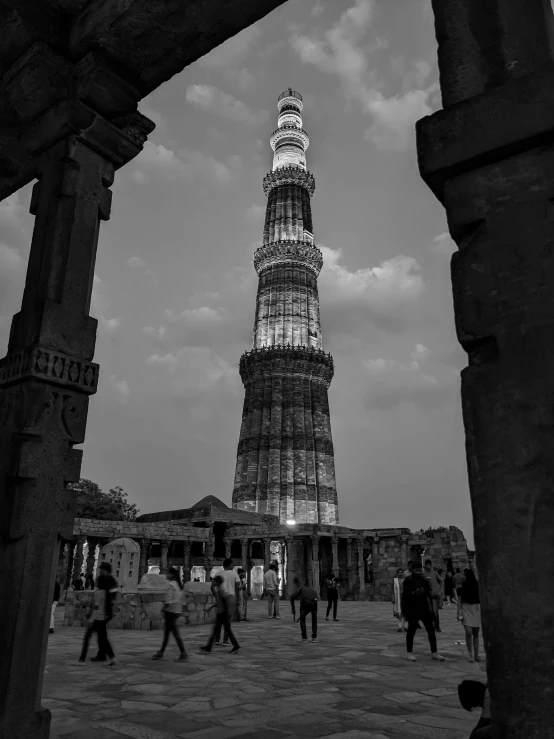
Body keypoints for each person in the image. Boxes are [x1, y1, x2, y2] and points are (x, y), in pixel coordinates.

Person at [401, 561, 445, 662]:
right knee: (411, 631)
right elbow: (405, 596)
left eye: (420, 570)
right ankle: (409, 653)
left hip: (424, 608)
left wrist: (433, 595)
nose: (418, 572)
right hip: (413, 609)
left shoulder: (424, 580)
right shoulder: (408, 580)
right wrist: (414, 592)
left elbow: (427, 592)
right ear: (413, 570)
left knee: (430, 630)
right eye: (416, 570)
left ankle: (434, 652)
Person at [77, 568, 117, 665]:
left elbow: (96, 607)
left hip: (96, 619)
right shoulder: (106, 593)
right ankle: (111, 657)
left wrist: (91, 619)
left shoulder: (98, 593)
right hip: (102, 618)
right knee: (103, 638)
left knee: (87, 638)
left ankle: (82, 658)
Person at [152, 567, 187, 661]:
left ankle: (183, 653)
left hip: (170, 611)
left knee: (174, 633)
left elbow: (168, 600)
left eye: (167, 573)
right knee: (167, 633)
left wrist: (163, 609)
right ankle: (161, 652)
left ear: (172, 575)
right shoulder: (178, 585)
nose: (166, 575)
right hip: (176, 610)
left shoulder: (170, 585)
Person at [201, 574, 240, 653]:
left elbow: (223, 602)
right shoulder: (221, 589)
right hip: (222, 613)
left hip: (222, 614)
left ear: (217, 582)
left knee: (220, 630)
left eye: (214, 581)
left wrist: (225, 612)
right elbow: (220, 602)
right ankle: (209, 647)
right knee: (220, 630)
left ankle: (235, 645)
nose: (213, 582)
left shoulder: (222, 590)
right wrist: (210, 608)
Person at [458, 569, 482, 662]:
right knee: (468, 632)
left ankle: (476, 654)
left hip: (475, 608)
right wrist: (458, 613)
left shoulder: (477, 586)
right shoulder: (461, 587)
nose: (463, 576)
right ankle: (470, 653)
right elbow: (459, 601)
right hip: (465, 608)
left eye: (464, 574)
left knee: (475, 633)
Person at [290, 577, 318, 643]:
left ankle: (304, 638)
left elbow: (292, 597)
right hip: (314, 602)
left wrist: (293, 609)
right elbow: (314, 599)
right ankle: (314, 638)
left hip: (305, 602)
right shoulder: (312, 590)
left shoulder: (301, 588)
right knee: (314, 619)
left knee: (302, 619)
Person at [423, 559, 443, 632]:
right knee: (430, 611)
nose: (427, 566)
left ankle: (437, 626)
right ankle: (431, 625)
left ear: (431, 565)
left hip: (435, 595)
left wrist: (440, 591)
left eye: (429, 565)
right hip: (428, 596)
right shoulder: (424, 574)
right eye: (426, 565)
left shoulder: (435, 573)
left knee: (435, 611)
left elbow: (441, 581)